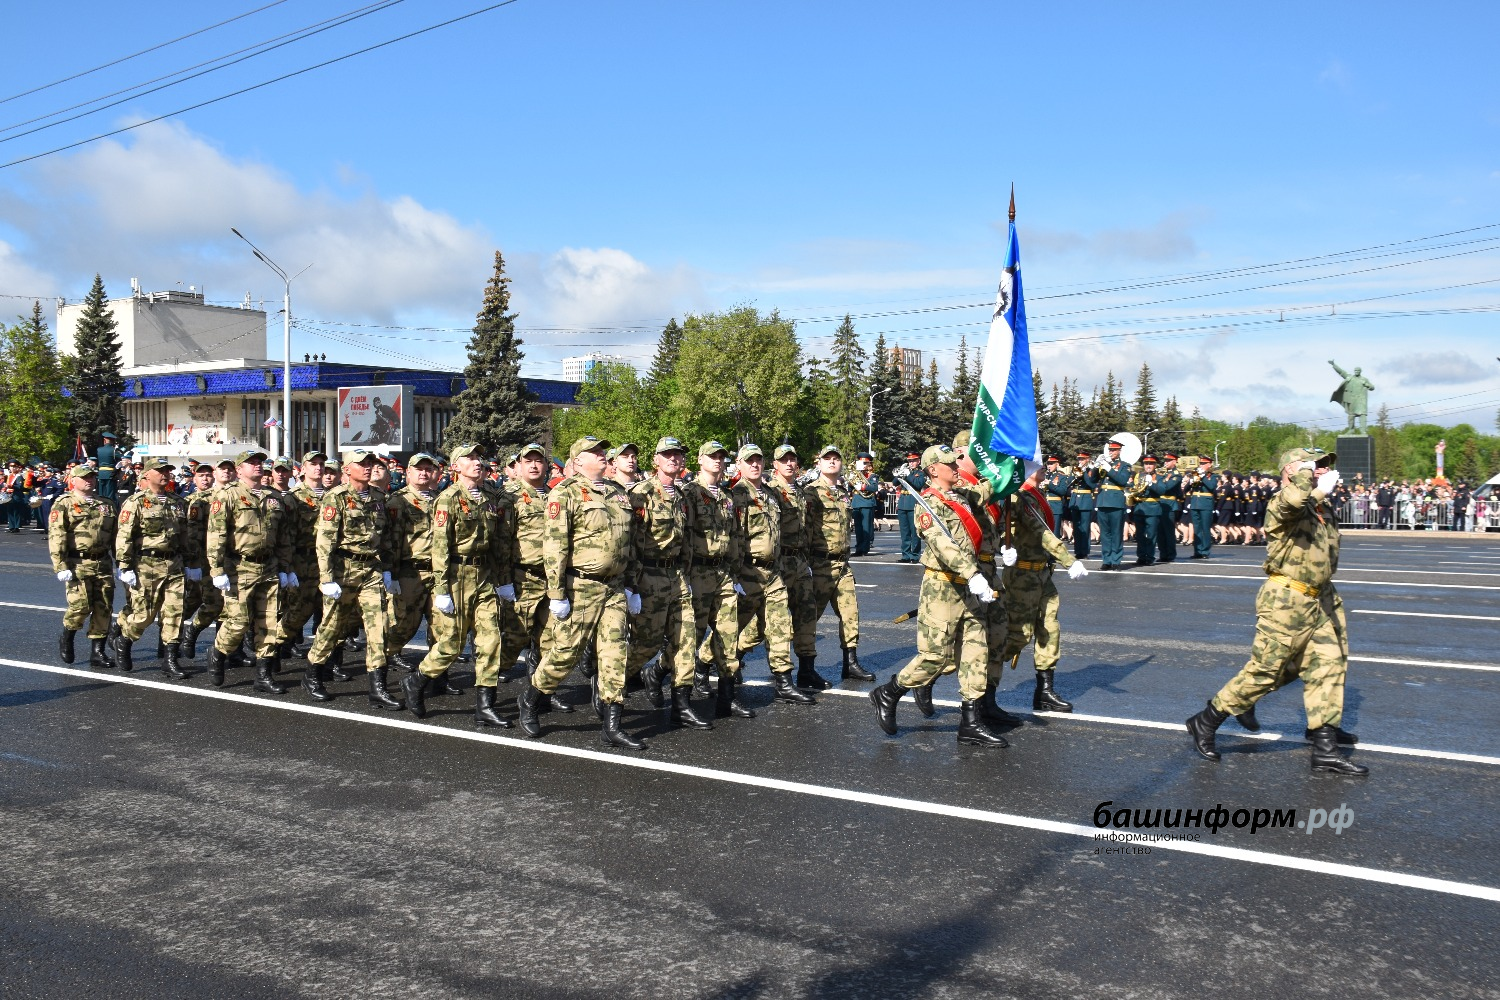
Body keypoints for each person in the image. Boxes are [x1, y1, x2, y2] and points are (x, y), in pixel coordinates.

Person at [1186, 448, 1368, 776]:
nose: (1320, 470)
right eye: (1312, 465)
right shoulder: (1282, 502)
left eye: (1322, 466)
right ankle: (1207, 720)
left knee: (1328, 666)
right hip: (1287, 599)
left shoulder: (1319, 504)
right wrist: (1311, 484)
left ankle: (1324, 744)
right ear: (1289, 470)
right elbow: (1294, 502)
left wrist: (1318, 491)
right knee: (1266, 671)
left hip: (1321, 597)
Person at [868, 444, 1007, 747]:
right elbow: (944, 546)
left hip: (971, 587)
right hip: (943, 587)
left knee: (976, 653)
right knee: (934, 656)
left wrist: (1015, 464)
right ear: (933, 470)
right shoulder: (928, 505)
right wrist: (972, 574)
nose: (957, 468)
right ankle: (889, 692)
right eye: (950, 465)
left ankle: (970, 722)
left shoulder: (963, 496)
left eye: (956, 463)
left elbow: (991, 487)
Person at [516, 436, 644, 749]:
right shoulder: (566, 492)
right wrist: (557, 593)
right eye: (596, 452)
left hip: (613, 587)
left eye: (603, 451)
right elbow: (555, 545)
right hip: (581, 586)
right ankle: (532, 698)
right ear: (579, 459)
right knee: (566, 652)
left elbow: (630, 543)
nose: (603, 455)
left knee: (615, 652)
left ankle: (612, 724)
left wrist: (632, 585)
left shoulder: (617, 492)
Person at [401, 444, 516, 725]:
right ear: (455, 467)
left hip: (484, 576)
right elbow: (439, 548)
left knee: (491, 640)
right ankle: (416, 681)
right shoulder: (448, 499)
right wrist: (441, 590)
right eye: (470, 458)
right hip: (455, 575)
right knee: (451, 644)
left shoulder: (491, 495)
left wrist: (503, 581)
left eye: (479, 457)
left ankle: (485, 706)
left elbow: (500, 542)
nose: (477, 462)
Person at [307, 449, 401, 708]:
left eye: (370, 463)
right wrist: (326, 579)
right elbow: (324, 541)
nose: (368, 467)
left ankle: (377, 687)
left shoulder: (379, 498)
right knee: (332, 626)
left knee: (378, 628)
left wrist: (389, 570)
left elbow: (387, 539)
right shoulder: (336, 498)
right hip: (343, 569)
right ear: (347, 469)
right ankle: (313, 674)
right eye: (361, 463)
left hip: (371, 570)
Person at [632, 437, 713, 729]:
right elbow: (633, 542)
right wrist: (633, 584)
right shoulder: (641, 493)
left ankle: (682, 704)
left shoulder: (681, 495)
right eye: (668, 455)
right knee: (647, 643)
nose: (674, 459)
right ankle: (609, 681)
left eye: (678, 455)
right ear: (656, 460)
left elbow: (687, 540)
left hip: (677, 575)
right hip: (649, 575)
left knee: (686, 638)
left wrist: (688, 575)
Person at [1000, 463, 1089, 712]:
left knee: (1050, 629)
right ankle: (981, 681)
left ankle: (1044, 691)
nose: (1043, 467)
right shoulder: (1019, 496)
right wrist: (1068, 559)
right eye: (1037, 464)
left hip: (1042, 572)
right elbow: (1040, 532)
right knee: (1019, 635)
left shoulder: (1037, 495)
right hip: (1023, 574)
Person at [732, 443, 816, 705]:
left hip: (774, 570)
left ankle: (783, 681)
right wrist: (733, 576)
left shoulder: (768, 493)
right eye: (749, 461)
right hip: (748, 570)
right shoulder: (736, 495)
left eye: (758, 460)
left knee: (780, 626)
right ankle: (705, 665)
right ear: (739, 465)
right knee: (733, 625)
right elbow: (733, 537)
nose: (755, 464)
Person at [206, 450, 294, 694]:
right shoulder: (227, 496)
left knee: (269, 622)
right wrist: (217, 569)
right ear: (239, 469)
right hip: (239, 566)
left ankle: (263, 675)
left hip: (269, 566)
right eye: (251, 463)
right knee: (239, 621)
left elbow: (283, 536)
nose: (257, 466)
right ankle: (218, 652)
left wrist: (286, 568)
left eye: (260, 462)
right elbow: (216, 534)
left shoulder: (273, 497)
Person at [682, 440, 755, 718]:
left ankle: (727, 698)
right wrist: (685, 575)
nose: (718, 461)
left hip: (723, 573)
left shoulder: (726, 497)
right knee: (693, 635)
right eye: (712, 456)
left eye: (722, 457)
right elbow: (685, 536)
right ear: (700, 460)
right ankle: (681, 694)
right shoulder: (688, 493)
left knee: (727, 635)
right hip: (698, 572)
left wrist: (735, 573)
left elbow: (735, 536)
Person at [111, 458, 189, 678]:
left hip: (174, 565)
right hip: (146, 565)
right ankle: (124, 641)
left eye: (167, 470)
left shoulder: (177, 502)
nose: (165, 474)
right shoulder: (135, 502)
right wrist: (124, 566)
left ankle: (170, 660)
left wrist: (191, 562)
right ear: (146, 475)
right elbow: (124, 535)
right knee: (143, 615)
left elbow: (184, 535)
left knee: (174, 614)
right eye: (160, 470)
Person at [805, 444, 873, 681]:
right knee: (810, 617)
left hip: (843, 564)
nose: (832, 462)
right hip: (820, 564)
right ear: (819, 463)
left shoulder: (843, 492)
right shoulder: (811, 492)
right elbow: (806, 529)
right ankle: (806, 666)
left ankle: (850, 663)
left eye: (836, 458)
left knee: (850, 614)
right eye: (827, 459)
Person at [501, 443, 561, 707]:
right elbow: (502, 542)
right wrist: (503, 582)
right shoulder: (509, 496)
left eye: (539, 461)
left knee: (548, 640)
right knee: (513, 639)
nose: (535, 465)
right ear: (518, 467)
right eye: (528, 461)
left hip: (550, 579)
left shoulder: (554, 495)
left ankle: (541, 694)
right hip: (522, 578)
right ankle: (486, 693)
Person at [49, 463, 117, 668]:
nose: (90, 480)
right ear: (73, 480)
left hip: (103, 562)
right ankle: (67, 636)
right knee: (80, 606)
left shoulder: (107, 504)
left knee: (103, 607)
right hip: (77, 562)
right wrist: (60, 566)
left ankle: (98, 651)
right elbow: (57, 535)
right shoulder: (64, 503)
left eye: (92, 477)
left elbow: (115, 537)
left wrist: (123, 562)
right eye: (85, 477)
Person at [769, 444, 825, 690]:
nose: (789, 464)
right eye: (784, 460)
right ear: (775, 465)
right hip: (779, 561)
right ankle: (728, 666)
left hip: (800, 561)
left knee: (806, 615)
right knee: (773, 622)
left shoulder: (801, 492)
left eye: (793, 460)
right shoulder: (770, 491)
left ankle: (807, 670)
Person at [384, 453, 444, 676]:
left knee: (441, 627)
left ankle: (437, 676)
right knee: (403, 625)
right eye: (418, 469)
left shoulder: (441, 499)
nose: (424, 473)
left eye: (428, 469)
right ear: (408, 473)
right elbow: (392, 540)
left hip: (437, 572)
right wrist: (391, 573)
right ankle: (381, 664)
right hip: (410, 573)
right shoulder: (398, 501)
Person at [277, 452, 328, 661]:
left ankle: (326, 661)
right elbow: (285, 534)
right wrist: (287, 567)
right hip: (302, 560)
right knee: (298, 612)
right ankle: (272, 650)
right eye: (313, 464)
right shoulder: (294, 497)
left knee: (329, 613)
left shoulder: (332, 496)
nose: (318, 468)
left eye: (321, 464)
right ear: (303, 469)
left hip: (325, 561)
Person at [179, 463, 218, 659]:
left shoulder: (222, 497)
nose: (205, 479)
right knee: (197, 601)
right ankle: (177, 635)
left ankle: (228, 650)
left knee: (224, 604)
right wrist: (191, 562)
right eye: (201, 475)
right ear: (194, 479)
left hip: (220, 558)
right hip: (200, 559)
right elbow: (190, 534)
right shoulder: (190, 501)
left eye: (208, 475)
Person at [1094, 441, 1130, 570]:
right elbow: (1092, 480)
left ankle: (1116, 560)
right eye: (1110, 450)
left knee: (1116, 533)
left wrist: (1109, 469)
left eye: (1114, 450)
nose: (1111, 452)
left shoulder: (1125, 466)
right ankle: (1106, 560)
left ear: (1119, 451)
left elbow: (1122, 480)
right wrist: (1095, 466)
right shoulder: (1104, 464)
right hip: (1103, 501)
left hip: (1116, 502)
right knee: (1105, 533)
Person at [892, 451, 926, 563]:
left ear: (918, 461)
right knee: (904, 532)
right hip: (902, 504)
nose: (911, 463)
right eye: (909, 461)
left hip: (913, 504)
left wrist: (908, 475)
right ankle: (906, 555)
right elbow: (895, 483)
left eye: (913, 461)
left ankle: (915, 555)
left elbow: (918, 484)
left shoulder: (921, 473)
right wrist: (899, 474)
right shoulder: (905, 472)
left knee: (915, 532)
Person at [1131, 455, 1163, 566]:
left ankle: (1149, 557)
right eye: (1146, 464)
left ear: (1155, 465)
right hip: (1140, 507)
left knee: (1151, 535)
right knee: (1139, 534)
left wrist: (1151, 484)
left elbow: (1161, 490)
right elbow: (1132, 487)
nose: (1148, 466)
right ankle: (1141, 556)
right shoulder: (1138, 476)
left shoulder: (1159, 477)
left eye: (1151, 464)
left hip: (1153, 507)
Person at [1187, 457, 1221, 559]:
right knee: (1197, 529)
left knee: (1205, 528)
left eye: (1204, 463)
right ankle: (1197, 551)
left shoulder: (1213, 476)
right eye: (1200, 463)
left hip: (1206, 504)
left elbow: (1211, 487)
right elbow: (1186, 490)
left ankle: (1205, 551)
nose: (1201, 465)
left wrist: (1203, 477)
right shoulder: (1196, 475)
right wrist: (1190, 481)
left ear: (1209, 465)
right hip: (1195, 503)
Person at [848, 452, 880, 556]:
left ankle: (865, 548)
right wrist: (850, 482)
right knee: (858, 528)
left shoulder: (872, 476)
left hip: (867, 502)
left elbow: (874, 488)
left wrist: (863, 487)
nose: (862, 465)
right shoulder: (855, 475)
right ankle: (858, 548)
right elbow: (850, 489)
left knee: (866, 527)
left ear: (868, 464)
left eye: (864, 463)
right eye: (861, 463)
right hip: (857, 502)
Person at [1154, 453, 1183, 563]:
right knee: (1160, 532)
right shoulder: (1163, 474)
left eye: (1168, 461)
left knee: (1168, 531)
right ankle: (1163, 554)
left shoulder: (1176, 475)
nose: (1165, 463)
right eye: (1165, 461)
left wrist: (1157, 480)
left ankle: (1170, 554)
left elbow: (1166, 487)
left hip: (1169, 504)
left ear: (1174, 462)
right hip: (1160, 503)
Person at [1069, 450, 1098, 560]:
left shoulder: (1091, 470)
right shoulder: (1075, 469)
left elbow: (1092, 484)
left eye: (1082, 459)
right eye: (1079, 459)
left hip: (1085, 500)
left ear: (1087, 459)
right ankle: (1078, 551)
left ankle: (1085, 551)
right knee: (1076, 528)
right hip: (1075, 500)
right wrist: (1076, 476)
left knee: (1085, 527)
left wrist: (1084, 473)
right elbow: (1069, 482)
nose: (1080, 461)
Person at [1042, 456, 1070, 537]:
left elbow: (1063, 491)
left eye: (1051, 464)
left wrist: (1049, 484)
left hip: (1055, 507)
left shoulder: (1062, 476)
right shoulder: (1045, 475)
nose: (1049, 466)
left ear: (1057, 464)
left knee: (1054, 533)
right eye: (1048, 464)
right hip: (1044, 506)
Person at [96, 430, 119, 502]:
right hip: (110, 474)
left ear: (105, 440)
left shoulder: (99, 450)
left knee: (101, 494)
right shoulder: (114, 450)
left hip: (101, 474)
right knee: (110, 495)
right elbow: (121, 459)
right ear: (112, 441)